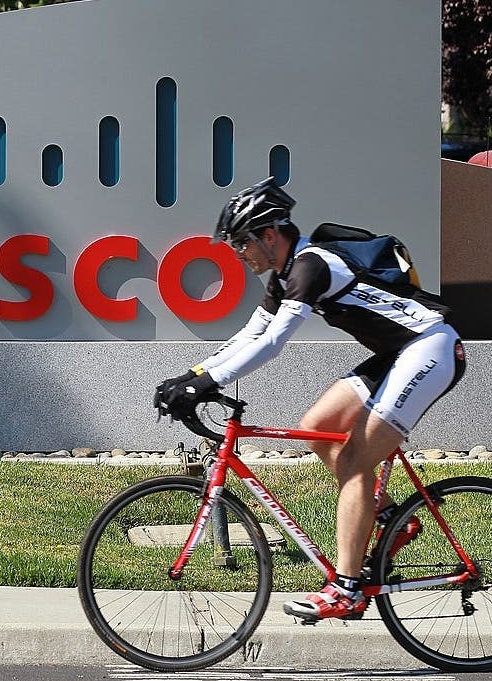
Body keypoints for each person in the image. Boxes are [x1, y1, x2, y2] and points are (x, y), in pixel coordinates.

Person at [155, 177, 466, 622]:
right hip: (398, 353)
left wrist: (205, 382)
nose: (239, 254)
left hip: (431, 347)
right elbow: (252, 333)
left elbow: (274, 343)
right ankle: (394, 520)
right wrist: (196, 375)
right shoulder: (283, 275)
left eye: (242, 244)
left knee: (358, 459)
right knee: (319, 426)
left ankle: (346, 589)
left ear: (267, 235)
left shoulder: (310, 267)